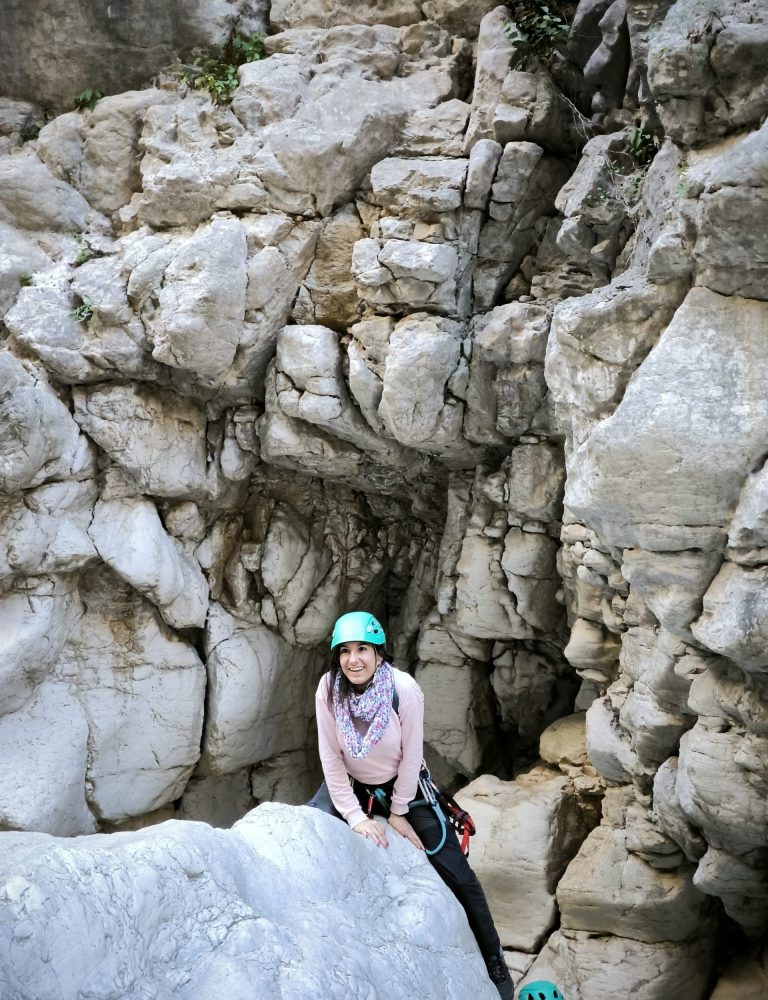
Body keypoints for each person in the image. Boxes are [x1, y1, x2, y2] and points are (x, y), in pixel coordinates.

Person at [308, 611, 515, 1000]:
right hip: (352, 785)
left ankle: (494, 959)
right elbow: (330, 756)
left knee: (458, 873)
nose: (354, 659)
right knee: (307, 836)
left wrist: (399, 811)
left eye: (363, 649)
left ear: (379, 653)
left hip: (405, 787)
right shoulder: (328, 689)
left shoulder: (402, 688)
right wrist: (354, 816)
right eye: (346, 651)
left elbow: (411, 756)